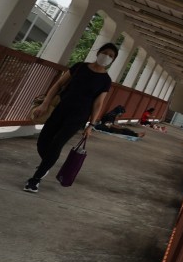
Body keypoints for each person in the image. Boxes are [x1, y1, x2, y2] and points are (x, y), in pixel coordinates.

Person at [23, 43, 118, 193]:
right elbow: (59, 84)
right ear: (98, 52)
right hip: (60, 109)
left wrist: (91, 125)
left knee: (56, 144)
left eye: (111, 56)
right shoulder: (79, 67)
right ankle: (46, 165)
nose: (106, 56)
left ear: (113, 60)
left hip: (78, 117)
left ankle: (35, 180)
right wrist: (45, 104)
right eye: (105, 52)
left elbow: (98, 103)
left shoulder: (105, 80)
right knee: (43, 141)